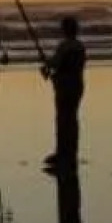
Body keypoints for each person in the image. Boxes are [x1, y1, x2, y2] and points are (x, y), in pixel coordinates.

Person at [41, 16, 85, 169]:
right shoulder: (80, 47)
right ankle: (71, 151)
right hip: (77, 85)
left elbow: (55, 63)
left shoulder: (64, 46)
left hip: (64, 87)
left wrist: (46, 64)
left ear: (65, 30)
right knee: (72, 119)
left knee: (62, 120)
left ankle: (62, 153)